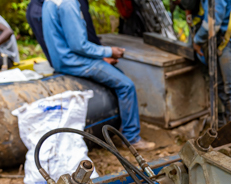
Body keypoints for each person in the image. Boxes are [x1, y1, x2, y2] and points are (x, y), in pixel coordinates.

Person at [42, 0, 155, 150]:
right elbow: (78, 45)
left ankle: (124, 127)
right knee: (126, 85)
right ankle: (131, 137)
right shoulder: (68, 4)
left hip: (62, 60)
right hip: (75, 62)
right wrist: (108, 51)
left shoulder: (50, 2)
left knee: (118, 75)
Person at [191, 0, 231, 124]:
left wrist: (197, 41)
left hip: (230, 40)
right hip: (222, 40)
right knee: (222, 87)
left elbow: (212, 23)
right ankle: (229, 125)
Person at [27, 0, 102, 62]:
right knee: (62, 59)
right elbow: (86, 23)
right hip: (41, 10)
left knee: (57, 58)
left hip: (35, 8)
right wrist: (101, 55)